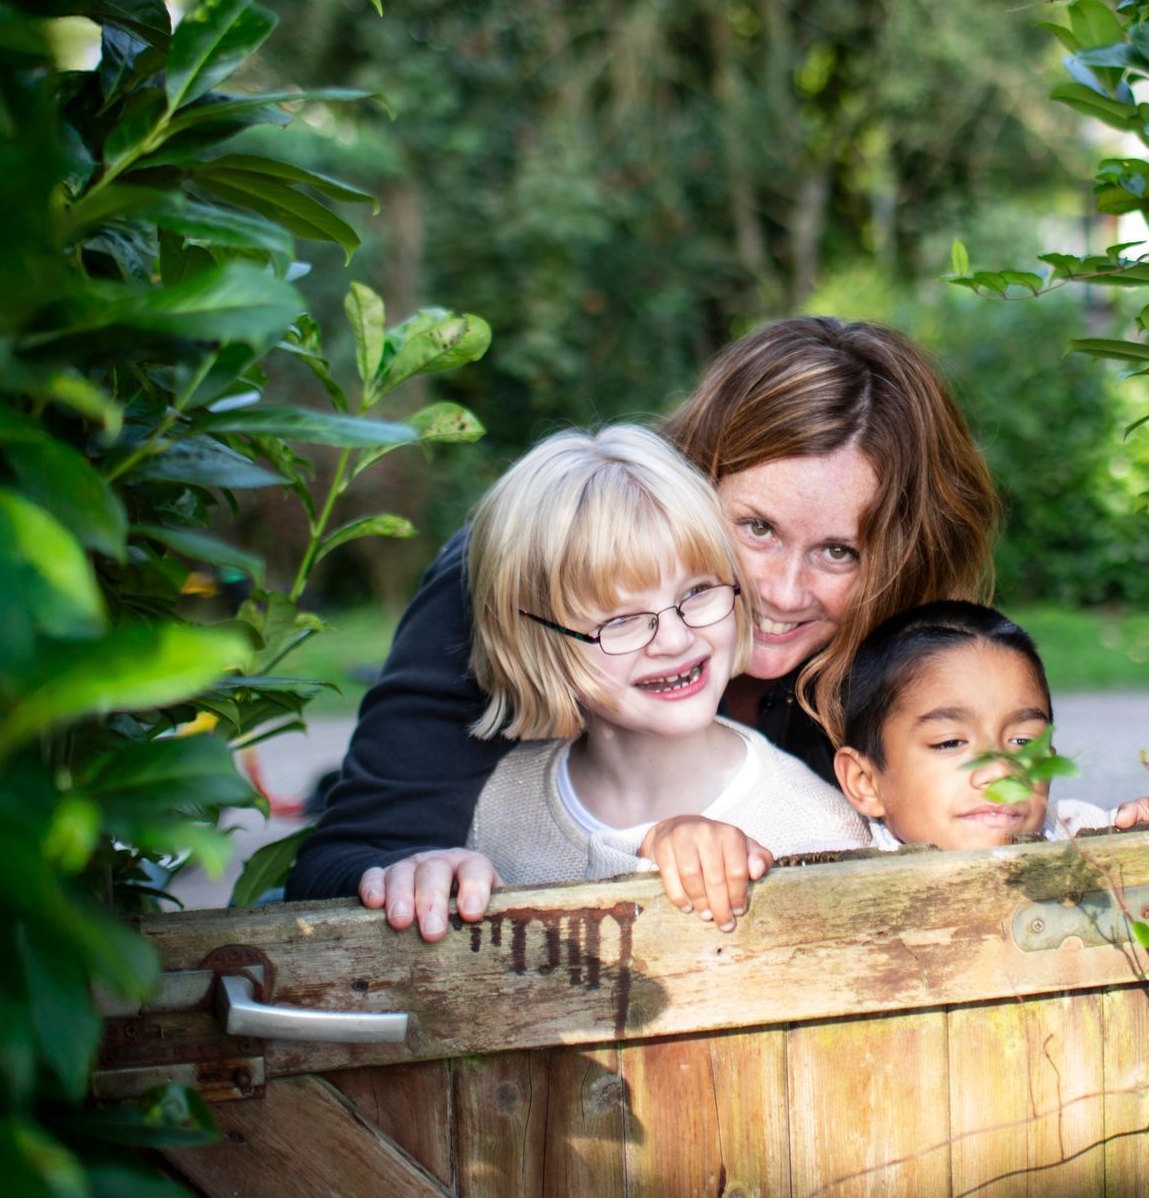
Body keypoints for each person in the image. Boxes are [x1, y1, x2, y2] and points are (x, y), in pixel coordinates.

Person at [287, 316, 1001, 936]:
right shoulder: (533, 570)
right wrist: (409, 874)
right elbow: (357, 854)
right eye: (755, 528)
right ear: (691, 483)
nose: (781, 592)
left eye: (839, 551)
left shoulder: (898, 645)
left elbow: (980, 825)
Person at [447, 426, 869, 926]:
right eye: (620, 620)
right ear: (540, 639)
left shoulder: (813, 825)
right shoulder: (499, 805)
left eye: (697, 592)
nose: (673, 640)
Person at [833, 601, 1149, 875]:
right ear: (865, 783)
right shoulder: (837, 866)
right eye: (949, 742)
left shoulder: (1077, 834)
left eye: (1022, 742)